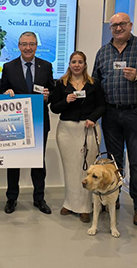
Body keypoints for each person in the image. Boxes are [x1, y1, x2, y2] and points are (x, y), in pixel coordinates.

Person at [92, 12, 137, 226]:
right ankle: (113, 198)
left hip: (136, 113)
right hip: (110, 114)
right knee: (114, 162)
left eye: (122, 24)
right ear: (110, 28)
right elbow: (94, 82)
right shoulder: (103, 52)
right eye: (114, 26)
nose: (118, 28)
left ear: (130, 25)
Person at [0, 31, 55, 214]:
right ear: (19, 46)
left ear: (36, 46)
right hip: (15, 122)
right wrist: (6, 93)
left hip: (39, 121)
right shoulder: (8, 67)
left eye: (31, 44)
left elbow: (53, 93)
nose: (28, 48)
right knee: (13, 162)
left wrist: (48, 96)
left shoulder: (46, 66)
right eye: (24, 44)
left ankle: (39, 198)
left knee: (38, 163)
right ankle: (11, 199)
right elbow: (1, 92)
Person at [51, 51, 105, 223]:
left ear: (85, 64)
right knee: (71, 169)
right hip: (67, 131)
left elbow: (102, 106)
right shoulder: (61, 84)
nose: (76, 65)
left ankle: (85, 207)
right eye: (73, 62)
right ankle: (69, 203)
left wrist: (92, 118)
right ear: (69, 64)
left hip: (88, 129)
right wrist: (66, 101)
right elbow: (54, 108)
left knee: (86, 169)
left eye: (80, 62)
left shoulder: (93, 84)